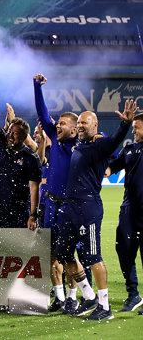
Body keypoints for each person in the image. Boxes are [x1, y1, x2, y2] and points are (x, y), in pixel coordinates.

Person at [56, 100, 138, 321]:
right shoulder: (79, 143)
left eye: (85, 123)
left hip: (88, 208)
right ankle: (89, 295)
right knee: (62, 253)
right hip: (70, 207)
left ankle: (104, 306)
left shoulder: (101, 146)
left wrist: (125, 125)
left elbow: (114, 140)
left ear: (95, 126)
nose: (80, 126)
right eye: (79, 123)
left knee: (93, 256)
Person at [32, 74, 82, 314]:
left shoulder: (81, 148)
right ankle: (59, 298)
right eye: (57, 123)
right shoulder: (56, 138)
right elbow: (43, 114)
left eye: (62, 123)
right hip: (50, 205)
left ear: (74, 128)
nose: (57, 126)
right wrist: (37, 87)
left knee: (70, 255)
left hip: (70, 207)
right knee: (50, 253)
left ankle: (74, 298)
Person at [0, 78, 41, 229]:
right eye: (10, 131)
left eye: (16, 133)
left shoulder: (31, 157)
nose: (11, 135)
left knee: (17, 245)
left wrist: (33, 215)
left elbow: (34, 188)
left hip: (18, 212)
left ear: (24, 137)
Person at [107, 113, 143, 314]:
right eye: (133, 127)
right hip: (129, 209)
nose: (133, 131)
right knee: (124, 250)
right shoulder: (129, 150)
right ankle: (133, 294)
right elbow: (111, 168)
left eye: (137, 127)